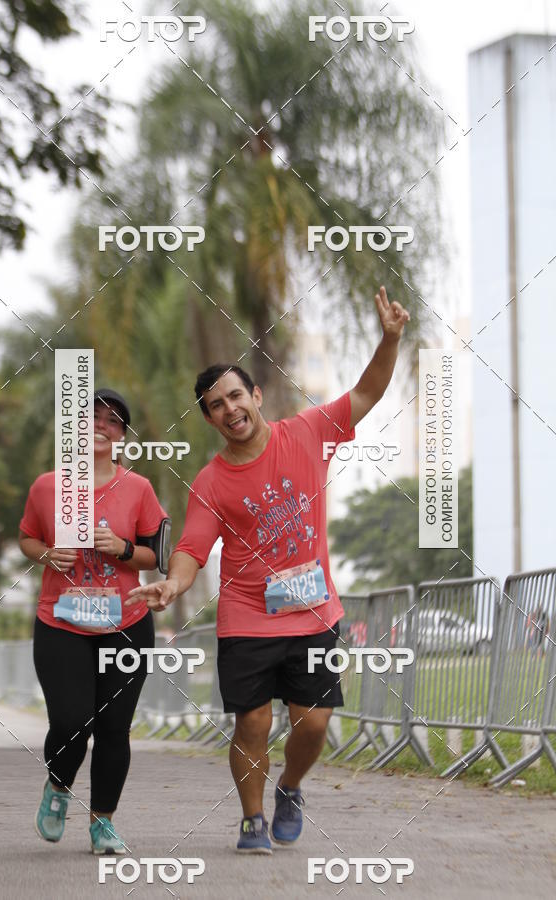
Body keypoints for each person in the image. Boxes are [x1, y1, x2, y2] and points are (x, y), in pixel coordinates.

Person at [128, 286, 409, 853]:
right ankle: (252, 819)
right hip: (248, 618)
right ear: (209, 418)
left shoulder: (307, 433)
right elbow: (192, 548)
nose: (230, 409)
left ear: (256, 395)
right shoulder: (210, 482)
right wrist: (174, 584)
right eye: (216, 405)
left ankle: (291, 787)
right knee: (253, 724)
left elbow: (369, 391)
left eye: (236, 396)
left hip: (314, 614)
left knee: (313, 724)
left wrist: (391, 336)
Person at [19, 388, 169, 854]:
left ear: (122, 434)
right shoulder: (47, 486)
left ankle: (103, 822)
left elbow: (157, 555)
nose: (102, 427)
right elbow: (26, 539)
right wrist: (46, 554)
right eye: (93, 418)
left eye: (113, 421)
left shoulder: (139, 488)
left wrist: (123, 549)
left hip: (126, 623)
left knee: (112, 729)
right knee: (69, 721)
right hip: (61, 622)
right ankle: (58, 788)